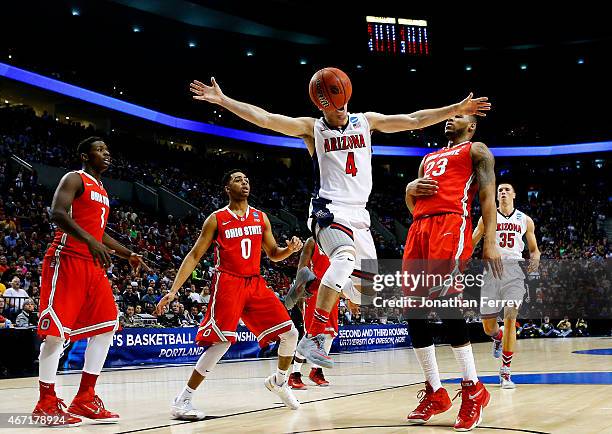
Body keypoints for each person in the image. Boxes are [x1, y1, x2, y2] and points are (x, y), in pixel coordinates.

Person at [190, 75, 491, 369]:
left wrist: (454, 108)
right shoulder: (312, 129)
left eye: (341, 99)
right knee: (344, 258)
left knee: (370, 294)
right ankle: (315, 337)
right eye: (333, 103)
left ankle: (312, 283)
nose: (340, 107)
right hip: (328, 210)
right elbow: (266, 118)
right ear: (321, 105)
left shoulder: (366, 121)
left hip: (360, 215)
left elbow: (413, 120)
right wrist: (224, 100)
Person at [156, 170, 303, 420]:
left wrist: (288, 250)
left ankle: (279, 381)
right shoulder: (217, 219)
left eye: (246, 179)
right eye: (237, 179)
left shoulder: (260, 217)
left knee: (290, 333)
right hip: (228, 282)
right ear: (226, 188)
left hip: (254, 283)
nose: (244, 182)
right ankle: (183, 400)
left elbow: (273, 254)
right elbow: (194, 255)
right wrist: (173, 290)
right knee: (222, 342)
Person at [34, 137, 147, 427]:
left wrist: (127, 253)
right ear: (85, 155)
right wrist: (89, 241)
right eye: (100, 150)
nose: (106, 154)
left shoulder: (103, 191)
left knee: (108, 325)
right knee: (56, 333)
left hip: (92, 265)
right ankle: (45, 402)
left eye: (108, 150)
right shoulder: (75, 178)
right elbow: (57, 213)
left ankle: (85, 397)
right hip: (67, 258)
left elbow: (99, 232)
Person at [403, 114, 502, 431]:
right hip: (420, 228)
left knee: (447, 302)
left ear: (471, 127)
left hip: (451, 223)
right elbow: (415, 203)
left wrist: (491, 241)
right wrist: (409, 188)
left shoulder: (477, 150)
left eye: (459, 115)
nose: (450, 118)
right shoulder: (428, 159)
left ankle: (474, 388)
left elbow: (487, 196)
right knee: (413, 310)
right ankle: (435, 391)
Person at [472, 183, 541, 389]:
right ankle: (497, 337)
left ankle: (506, 372)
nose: (502, 192)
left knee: (511, 316)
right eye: (499, 190)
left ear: (514, 194)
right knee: (488, 328)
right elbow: (473, 241)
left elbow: (534, 250)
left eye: (506, 190)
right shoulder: (487, 218)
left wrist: (534, 263)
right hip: (491, 272)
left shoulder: (525, 220)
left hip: (514, 272)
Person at [287, 237, 338, 390]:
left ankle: (316, 370)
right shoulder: (312, 242)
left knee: (329, 334)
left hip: (333, 289)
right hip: (314, 290)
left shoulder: (338, 241)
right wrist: (299, 291)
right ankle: (294, 374)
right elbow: (301, 270)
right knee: (310, 334)